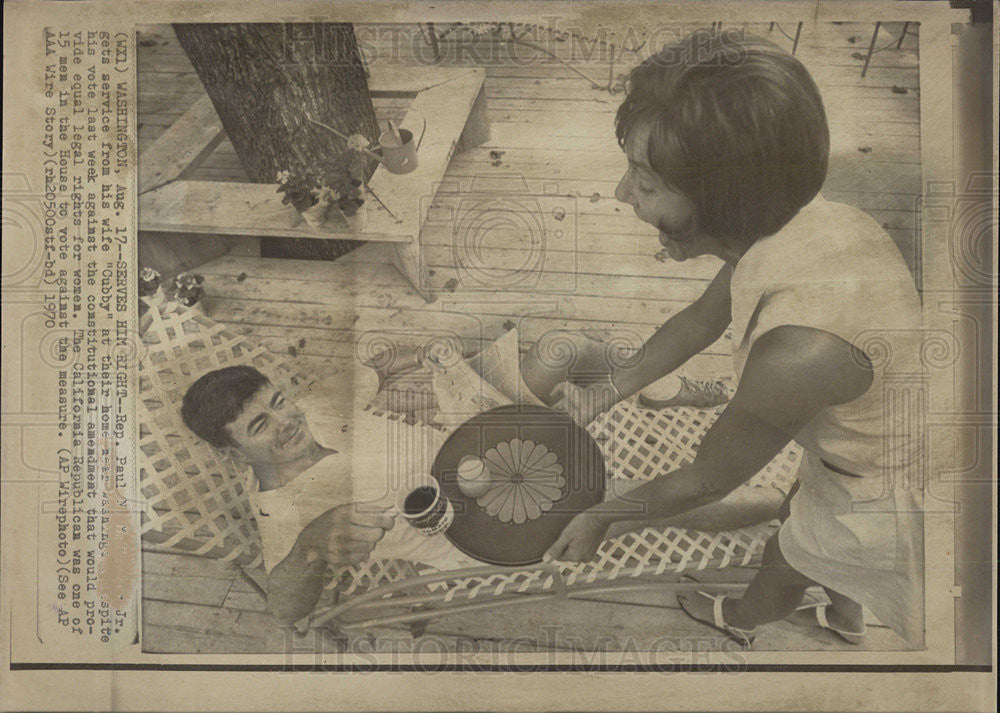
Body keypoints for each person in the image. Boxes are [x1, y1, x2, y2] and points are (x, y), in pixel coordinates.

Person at [542, 29, 924, 648]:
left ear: (721, 203)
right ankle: (846, 612)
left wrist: (604, 516)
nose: (620, 195)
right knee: (812, 517)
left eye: (643, 183)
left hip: (893, 489)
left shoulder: (799, 352)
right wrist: (601, 394)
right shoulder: (791, 223)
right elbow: (699, 321)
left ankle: (744, 619)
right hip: (865, 438)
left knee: (791, 551)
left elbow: (707, 479)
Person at [181, 361, 784, 626]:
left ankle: (671, 389)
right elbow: (284, 611)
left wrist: (403, 372)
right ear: (233, 453)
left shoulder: (316, 415)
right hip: (489, 532)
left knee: (560, 351)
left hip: (485, 452)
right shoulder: (282, 510)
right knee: (637, 500)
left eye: (278, 402)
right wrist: (313, 548)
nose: (286, 422)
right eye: (260, 426)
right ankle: (782, 505)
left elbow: (367, 374)